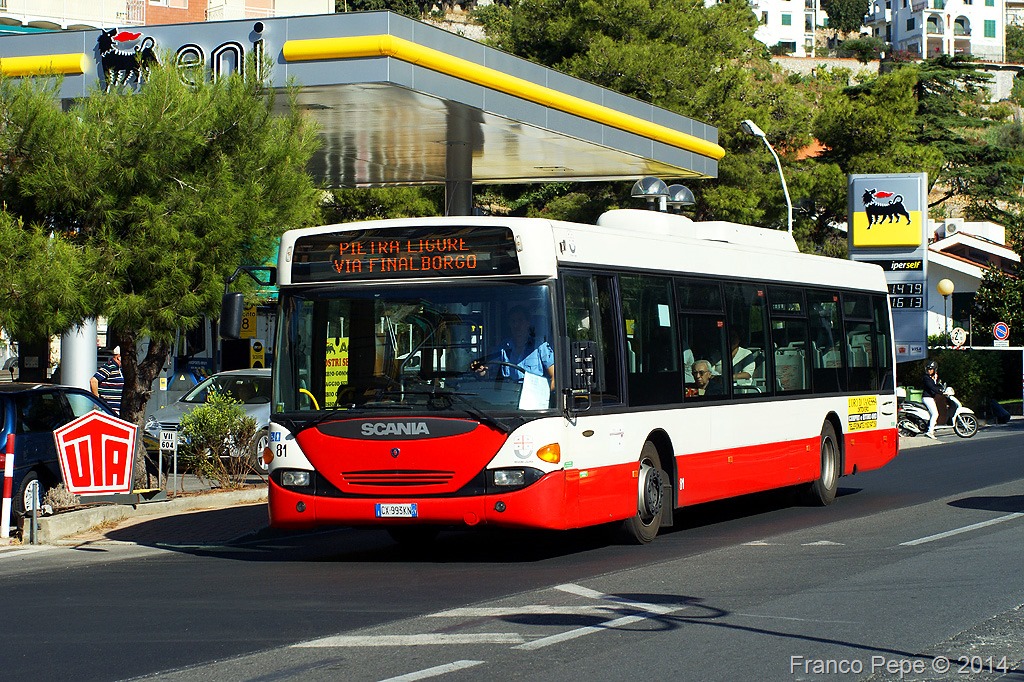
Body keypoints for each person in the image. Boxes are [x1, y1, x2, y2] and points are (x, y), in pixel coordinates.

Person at [472, 306, 555, 391]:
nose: (516, 325)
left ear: (528, 323)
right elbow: (487, 367)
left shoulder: (540, 346)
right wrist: (481, 371)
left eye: (520, 320)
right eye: (513, 321)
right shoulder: (503, 347)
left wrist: (543, 395)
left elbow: (555, 377)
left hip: (533, 394)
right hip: (509, 394)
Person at [91, 346, 124, 416]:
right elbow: (93, 381)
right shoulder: (109, 366)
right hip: (108, 410)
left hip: (115, 410)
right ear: (118, 357)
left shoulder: (119, 369)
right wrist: (97, 399)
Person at [922, 359, 940, 439]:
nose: (929, 371)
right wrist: (940, 392)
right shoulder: (926, 378)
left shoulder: (931, 378)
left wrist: (935, 380)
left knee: (931, 414)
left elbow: (935, 386)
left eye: (931, 369)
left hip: (930, 397)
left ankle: (930, 427)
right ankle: (930, 431)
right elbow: (932, 387)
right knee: (935, 414)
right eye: (928, 369)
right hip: (927, 398)